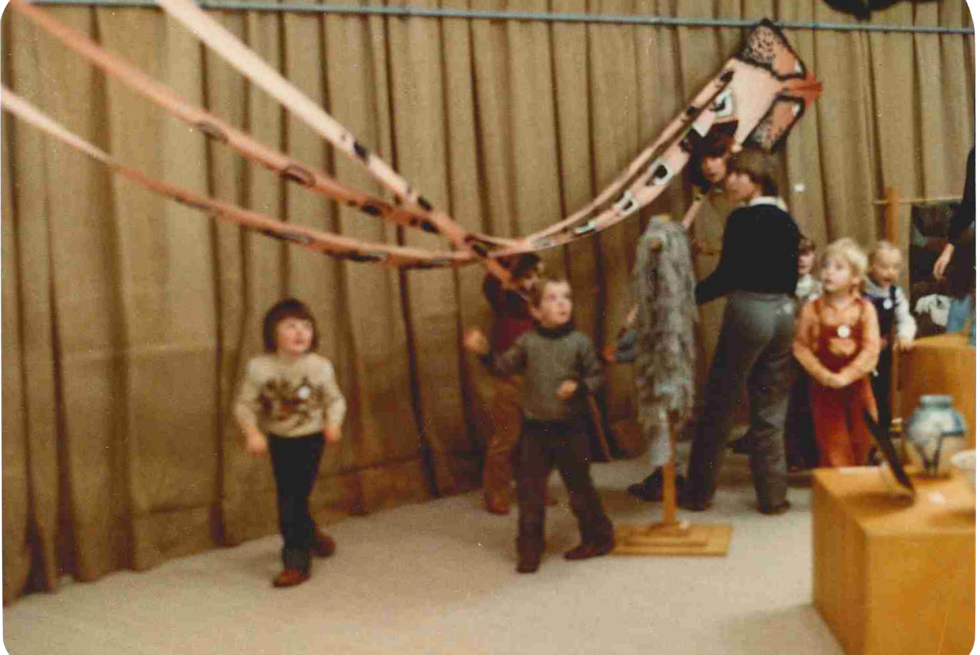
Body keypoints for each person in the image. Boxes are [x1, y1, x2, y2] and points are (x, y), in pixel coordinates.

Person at [464, 277, 614, 573]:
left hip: (572, 429)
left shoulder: (580, 343)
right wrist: (483, 352)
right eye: (553, 298)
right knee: (529, 492)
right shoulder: (527, 342)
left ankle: (599, 538)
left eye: (566, 297)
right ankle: (529, 549)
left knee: (580, 488)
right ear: (535, 311)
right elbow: (502, 367)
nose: (562, 303)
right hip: (536, 430)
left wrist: (580, 386)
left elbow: (597, 376)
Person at [681, 149, 800, 515]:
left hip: (750, 312)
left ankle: (698, 493)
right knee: (770, 407)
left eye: (737, 174)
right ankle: (773, 496)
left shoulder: (741, 219)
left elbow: (727, 277)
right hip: (784, 314)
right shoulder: (787, 221)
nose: (729, 180)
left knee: (720, 403)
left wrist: (687, 299)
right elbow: (792, 279)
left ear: (756, 179)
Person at [234, 298, 347, 588]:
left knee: (292, 498)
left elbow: (335, 400)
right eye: (291, 326)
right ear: (273, 333)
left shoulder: (319, 366)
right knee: (292, 496)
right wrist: (252, 432)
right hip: (280, 440)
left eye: (306, 326)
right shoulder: (259, 367)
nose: (300, 332)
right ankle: (310, 537)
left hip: (310, 439)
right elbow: (245, 405)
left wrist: (333, 423)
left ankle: (296, 561)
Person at [793, 239, 881, 467]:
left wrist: (847, 376)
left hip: (858, 385)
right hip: (824, 387)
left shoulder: (865, 309)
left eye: (838, 268)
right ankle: (840, 491)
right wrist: (824, 376)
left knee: (864, 438)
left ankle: (860, 483)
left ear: (855, 278)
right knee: (833, 443)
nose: (829, 272)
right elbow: (800, 346)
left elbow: (871, 349)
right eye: (826, 267)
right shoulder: (812, 309)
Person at [479, 253, 550, 515]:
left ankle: (532, 488)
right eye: (528, 276)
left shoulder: (540, 303)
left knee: (538, 439)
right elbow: (490, 283)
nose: (533, 282)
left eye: (537, 276)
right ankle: (496, 490)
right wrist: (509, 267)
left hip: (538, 379)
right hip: (509, 379)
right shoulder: (504, 300)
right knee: (507, 437)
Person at [863, 240, 917, 433]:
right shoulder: (859, 289)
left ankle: (882, 439)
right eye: (884, 267)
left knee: (882, 394)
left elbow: (906, 319)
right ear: (870, 266)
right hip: (859, 353)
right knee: (862, 397)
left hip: (882, 355)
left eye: (895, 267)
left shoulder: (895, 294)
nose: (890, 272)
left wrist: (904, 335)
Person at [784, 236, 822, 471]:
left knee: (812, 402)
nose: (802, 259)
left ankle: (813, 454)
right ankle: (793, 456)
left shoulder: (820, 288)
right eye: (797, 254)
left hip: (813, 353)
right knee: (790, 404)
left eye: (807, 253)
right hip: (787, 352)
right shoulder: (781, 289)